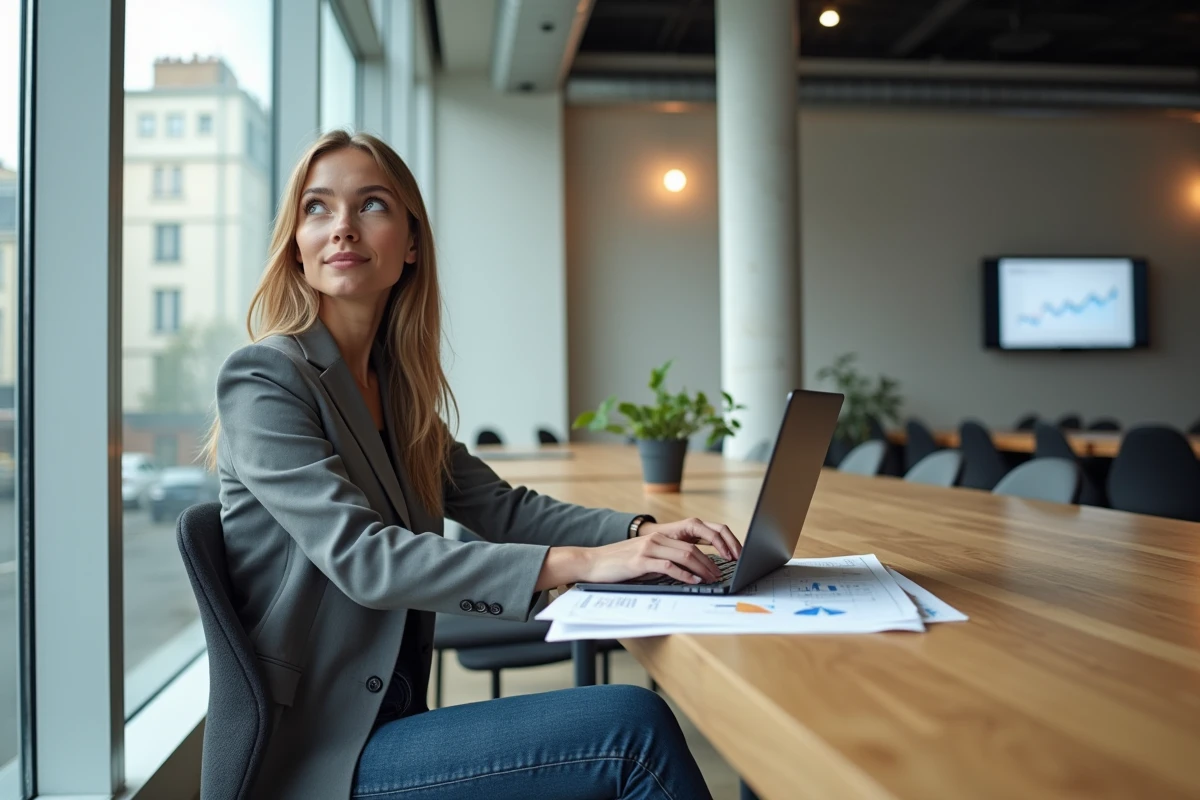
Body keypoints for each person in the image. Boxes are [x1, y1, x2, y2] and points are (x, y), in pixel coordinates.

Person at [207, 130, 743, 799]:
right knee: (631, 731)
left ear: (411, 243)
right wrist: (585, 562)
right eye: (317, 208)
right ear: (295, 245)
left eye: (370, 204)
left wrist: (639, 535)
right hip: (316, 756)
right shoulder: (265, 380)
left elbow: (501, 507)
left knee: (630, 726)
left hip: (389, 719)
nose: (342, 226)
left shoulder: (392, 388)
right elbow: (366, 559)